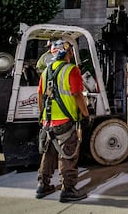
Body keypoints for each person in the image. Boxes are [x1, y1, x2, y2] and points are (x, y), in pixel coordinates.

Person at [36, 39, 90, 202]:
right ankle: (68, 189)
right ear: (66, 53)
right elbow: (77, 94)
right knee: (68, 156)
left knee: (48, 153)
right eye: (70, 51)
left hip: (48, 121)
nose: (71, 54)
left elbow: (40, 95)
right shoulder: (71, 70)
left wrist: (43, 116)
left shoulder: (46, 72)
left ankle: (42, 185)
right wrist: (85, 114)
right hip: (65, 121)